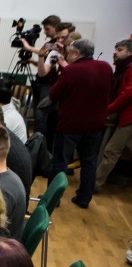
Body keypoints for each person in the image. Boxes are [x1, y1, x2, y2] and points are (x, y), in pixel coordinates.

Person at [49, 39, 114, 208]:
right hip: (95, 124)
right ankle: (84, 198)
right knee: (89, 161)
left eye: (70, 52)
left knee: (60, 161)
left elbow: (53, 95)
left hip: (70, 124)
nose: (68, 56)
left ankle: (53, 198)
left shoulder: (70, 71)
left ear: (77, 53)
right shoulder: (106, 68)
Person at [96, 39, 132, 189]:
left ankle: (94, 184)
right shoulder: (122, 69)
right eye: (115, 49)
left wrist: (107, 110)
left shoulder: (129, 69)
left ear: (130, 53)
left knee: (111, 151)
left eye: (120, 50)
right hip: (124, 117)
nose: (115, 52)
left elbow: (126, 94)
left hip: (128, 118)